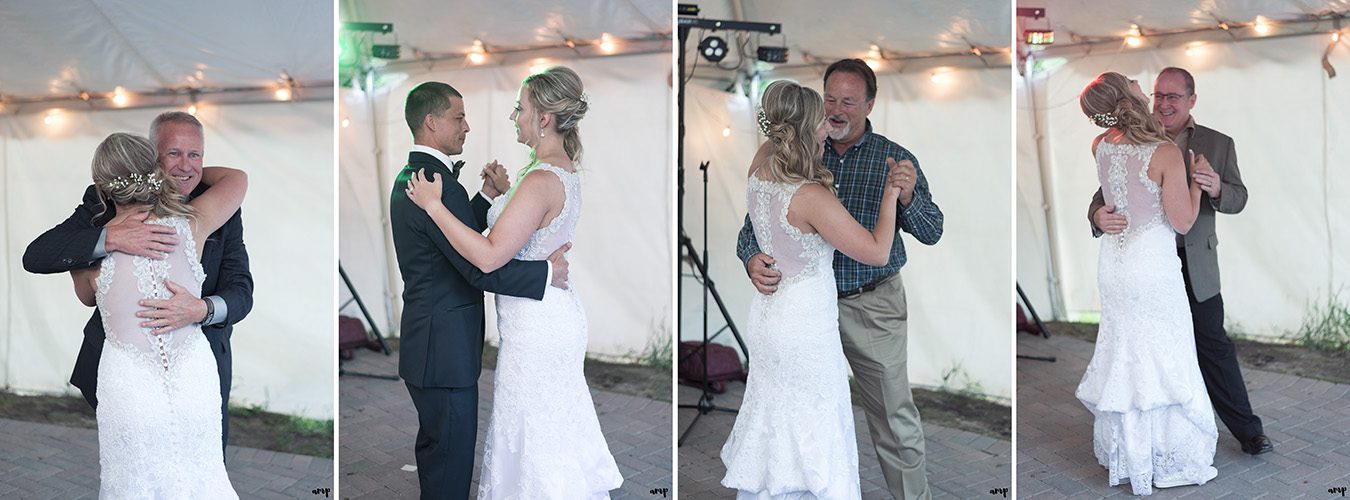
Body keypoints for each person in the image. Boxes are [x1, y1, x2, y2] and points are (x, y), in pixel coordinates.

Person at [404, 66, 622, 499]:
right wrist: (495, 197)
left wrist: (434, 206)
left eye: (519, 108)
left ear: (543, 118)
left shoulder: (541, 179)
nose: (513, 117)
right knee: (543, 426)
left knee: (536, 429)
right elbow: (523, 230)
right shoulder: (551, 170)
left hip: (539, 326)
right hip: (544, 315)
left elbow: (488, 256)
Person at [736, 59, 942, 500]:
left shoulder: (895, 159)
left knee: (891, 417)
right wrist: (751, 257)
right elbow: (752, 229)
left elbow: (932, 231)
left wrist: (903, 195)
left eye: (848, 101)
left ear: (870, 103)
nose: (836, 110)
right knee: (808, 413)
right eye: (829, 98)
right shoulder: (792, 153)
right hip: (806, 315)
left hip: (872, 306)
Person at [23, 112, 254, 454]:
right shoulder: (102, 199)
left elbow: (242, 291)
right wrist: (108, 237)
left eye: (196, 154)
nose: (186, 166)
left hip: (199, 368)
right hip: (126, 372)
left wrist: (201, 308)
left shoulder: (218, 206)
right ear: (151, 157)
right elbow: (37, 255)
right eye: (174, 153)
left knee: (204, 461)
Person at [1088, 67, 1268, 456]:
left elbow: (1239, 197)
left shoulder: (1219, 143)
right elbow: (1106, 190)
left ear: (1191, 100)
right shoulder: (1132, 135)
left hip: (1192, 263)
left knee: (1212, 346)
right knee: (1154, 350)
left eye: (1173, 97)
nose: (1164, 104)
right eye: (1158, 96)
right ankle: (1162, 433)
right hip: (1150, 263)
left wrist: (1215, 186)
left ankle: (1248, 432)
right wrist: (1097, 215)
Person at [66, 133, 246, 496]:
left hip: (129, 378)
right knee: (203, 474)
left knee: (134, 480)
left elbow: (87, 298)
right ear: (156, 171)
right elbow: (237, 178)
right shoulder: (194, 224)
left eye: (193, 155)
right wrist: (187, 170)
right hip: (194, 371)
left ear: (102, 184)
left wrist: (100, 241)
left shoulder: (90, 251)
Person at [1075, 72, 1219, 495]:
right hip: (1153, 267)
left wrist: (1102, 216)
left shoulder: (1100, 144)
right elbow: (1183, 221)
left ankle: (1131, 457)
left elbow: (1112, 197)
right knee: (1164, 354)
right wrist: (1196, 182)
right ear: (1128, 95)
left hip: (1116, 266)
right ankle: (1165, 457)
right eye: (1135, 82)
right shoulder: (1165, 152)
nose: (1143, 85)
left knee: (1127, 355)